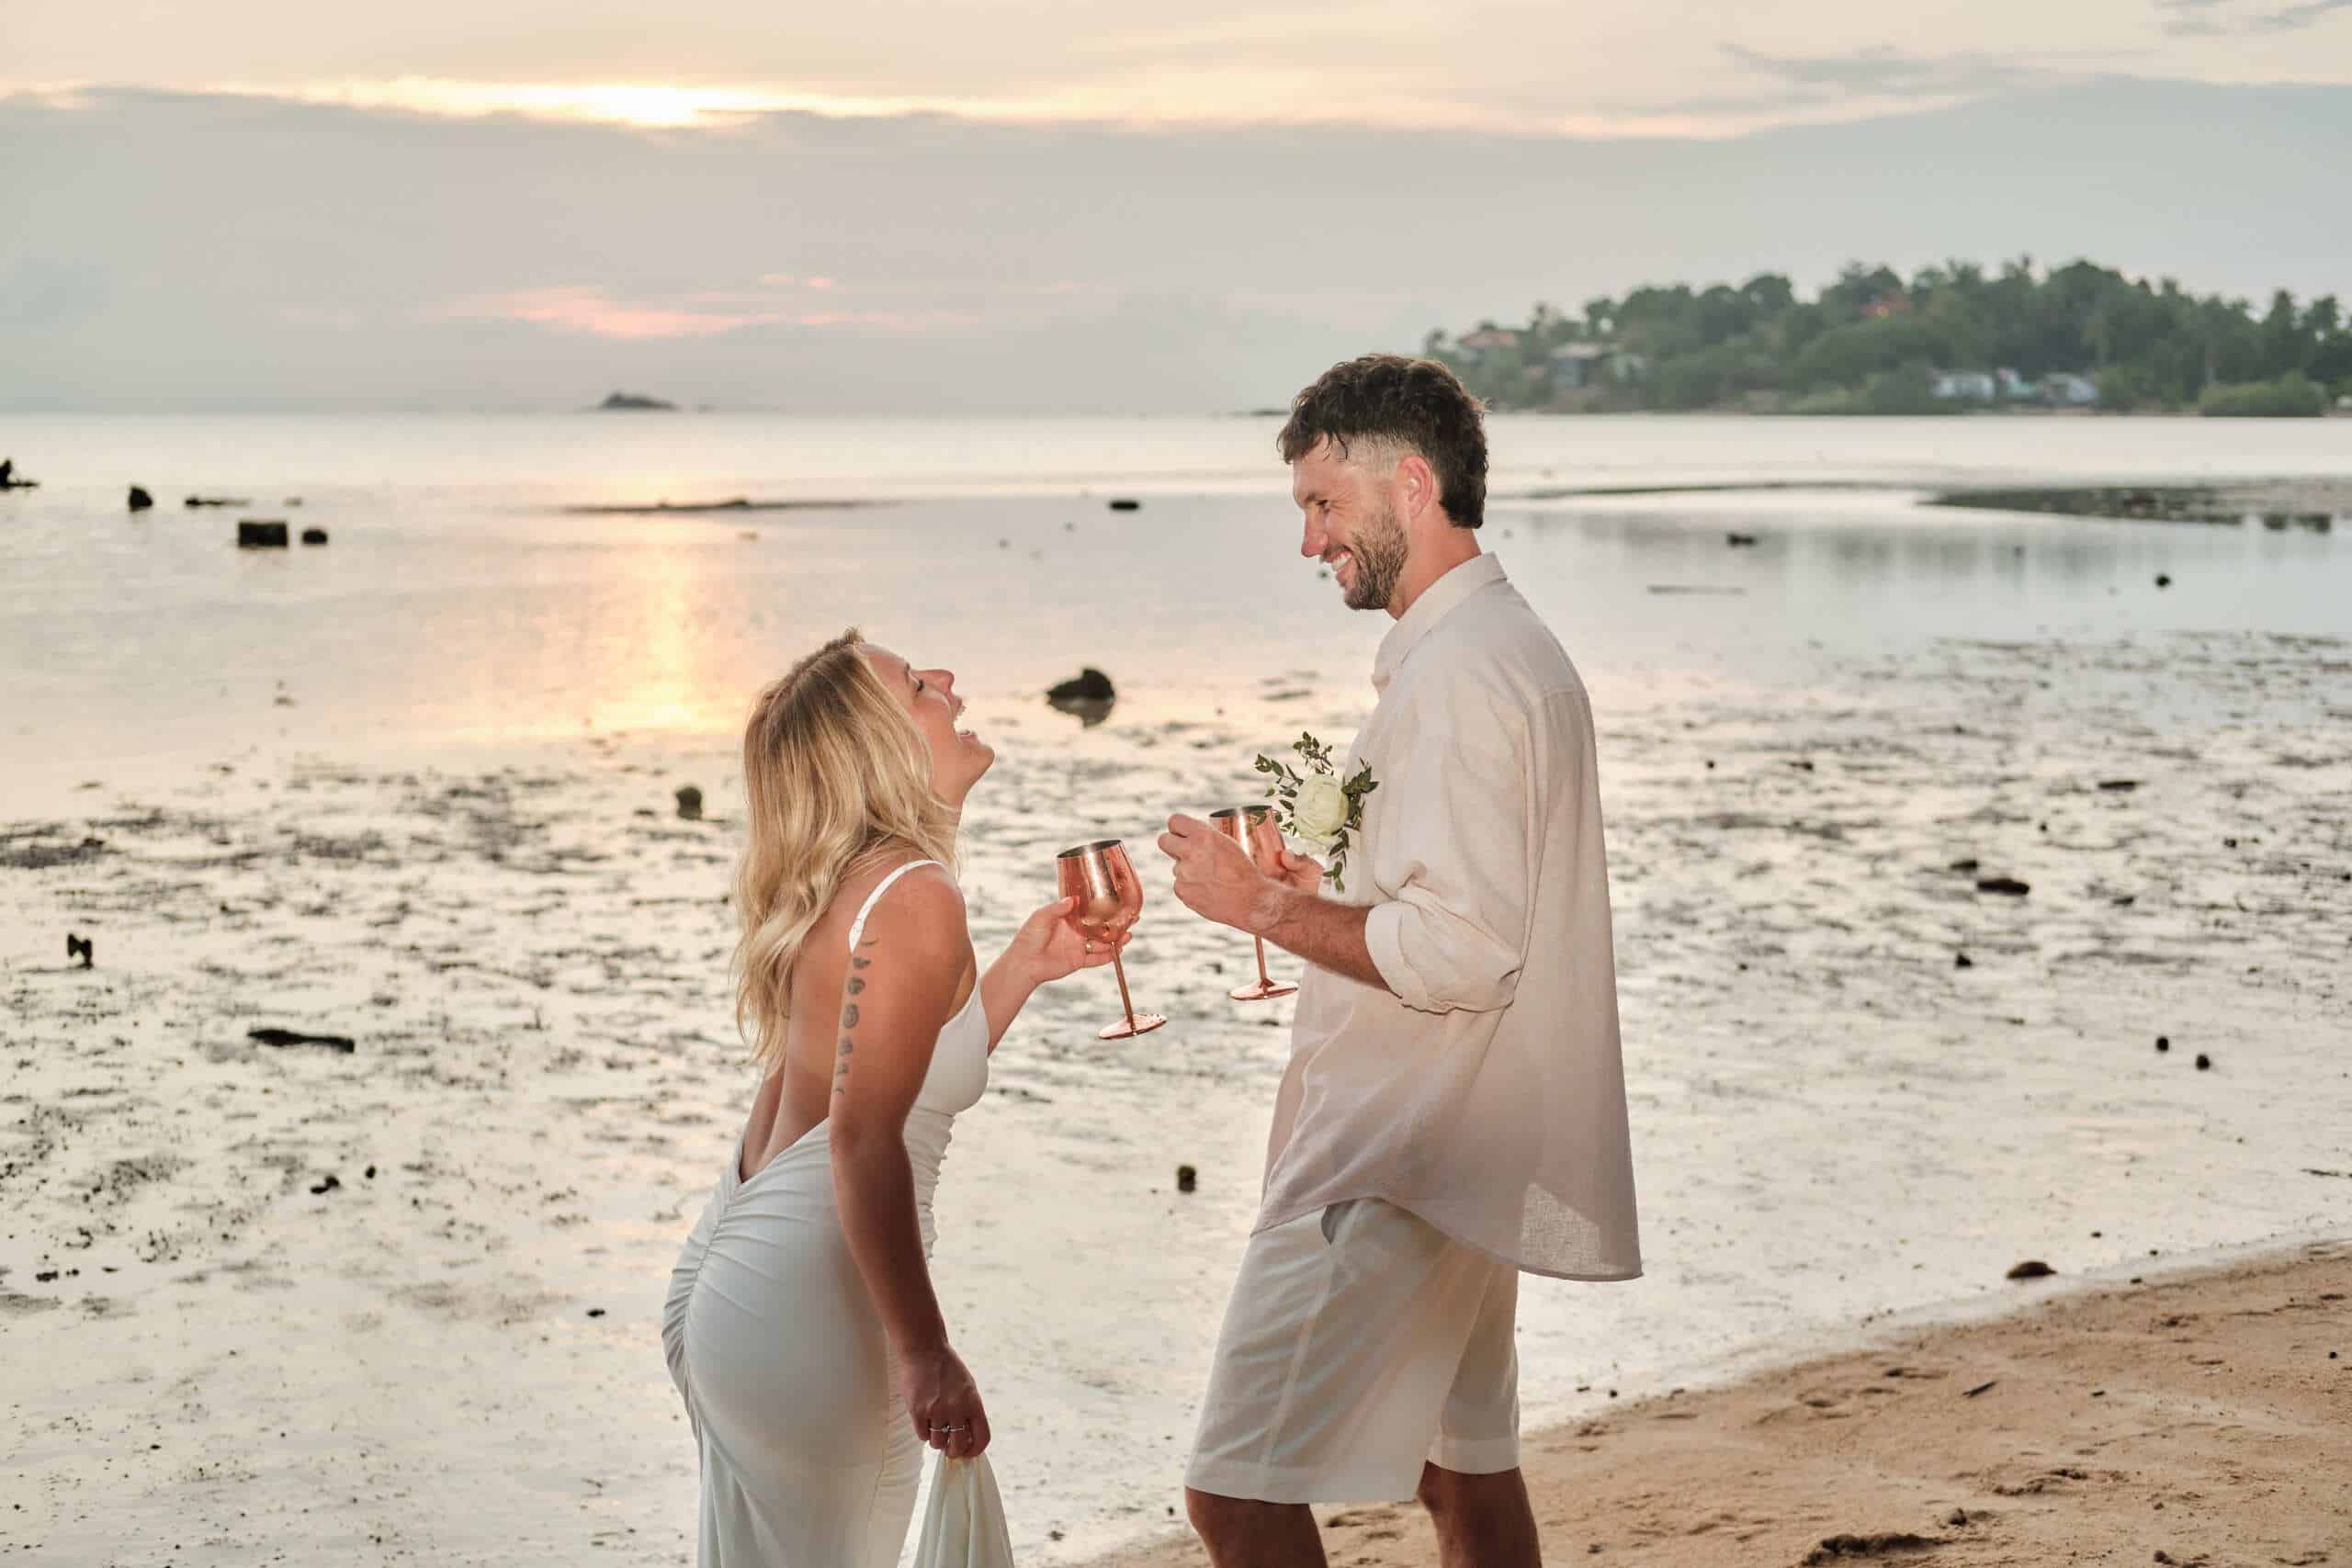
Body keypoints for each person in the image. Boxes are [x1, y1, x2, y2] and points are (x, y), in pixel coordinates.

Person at [1159, 355, 1642, 1567]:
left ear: (1410, 484)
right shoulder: (1495, 645)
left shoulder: (1469, 672)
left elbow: (1464, 951)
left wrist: (1261, 905)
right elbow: (1470, 898)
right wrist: (1330, 883)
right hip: (1469, 1140)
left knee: (1235, 1488)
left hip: (1398, 1149)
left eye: (1324, 505)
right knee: (1461, 1471)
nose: (1310, 539)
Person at [662, 629, 1124, 1566]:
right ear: (880, 746)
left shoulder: (857, 885)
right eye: (917, 684)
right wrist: (925, 1352)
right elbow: (864, 1141)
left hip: (736, 1288)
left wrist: (1023, 970)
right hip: (808, 1305)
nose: (948, 680)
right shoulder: (912, 897)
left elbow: (892, 1087)